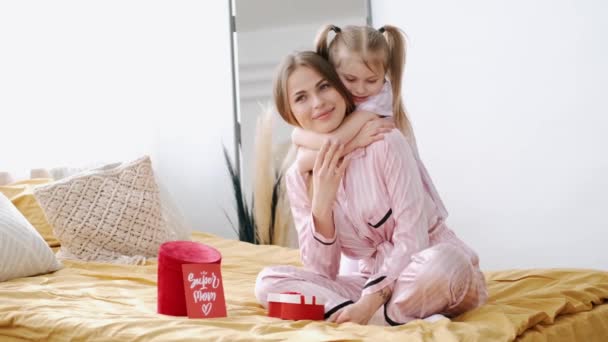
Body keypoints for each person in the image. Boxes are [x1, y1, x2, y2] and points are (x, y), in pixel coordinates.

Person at [255, 50, 487, 325]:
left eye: (324, 86)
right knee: (268, 282)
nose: (318, 103)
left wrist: (368, 302)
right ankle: (388, 316)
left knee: (448, 263)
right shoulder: (299, 176)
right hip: (368, 283)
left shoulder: (384, 141)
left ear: (340, 87)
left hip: (424, 269)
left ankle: (371, 316)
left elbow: (413, 239)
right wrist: (321, 207)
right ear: (289, 112)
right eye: (301, 97)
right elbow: (321, 271)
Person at [292, 24, 448, 222]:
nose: (360, 89)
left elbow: (330, 143)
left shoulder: (375, 106)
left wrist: (299, 136)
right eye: (350, 79)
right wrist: (355, 142)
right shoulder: (340, 103)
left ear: (384, 76)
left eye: (371, 80)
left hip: (405, 204)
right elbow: (302, 161)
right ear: (331, 71)